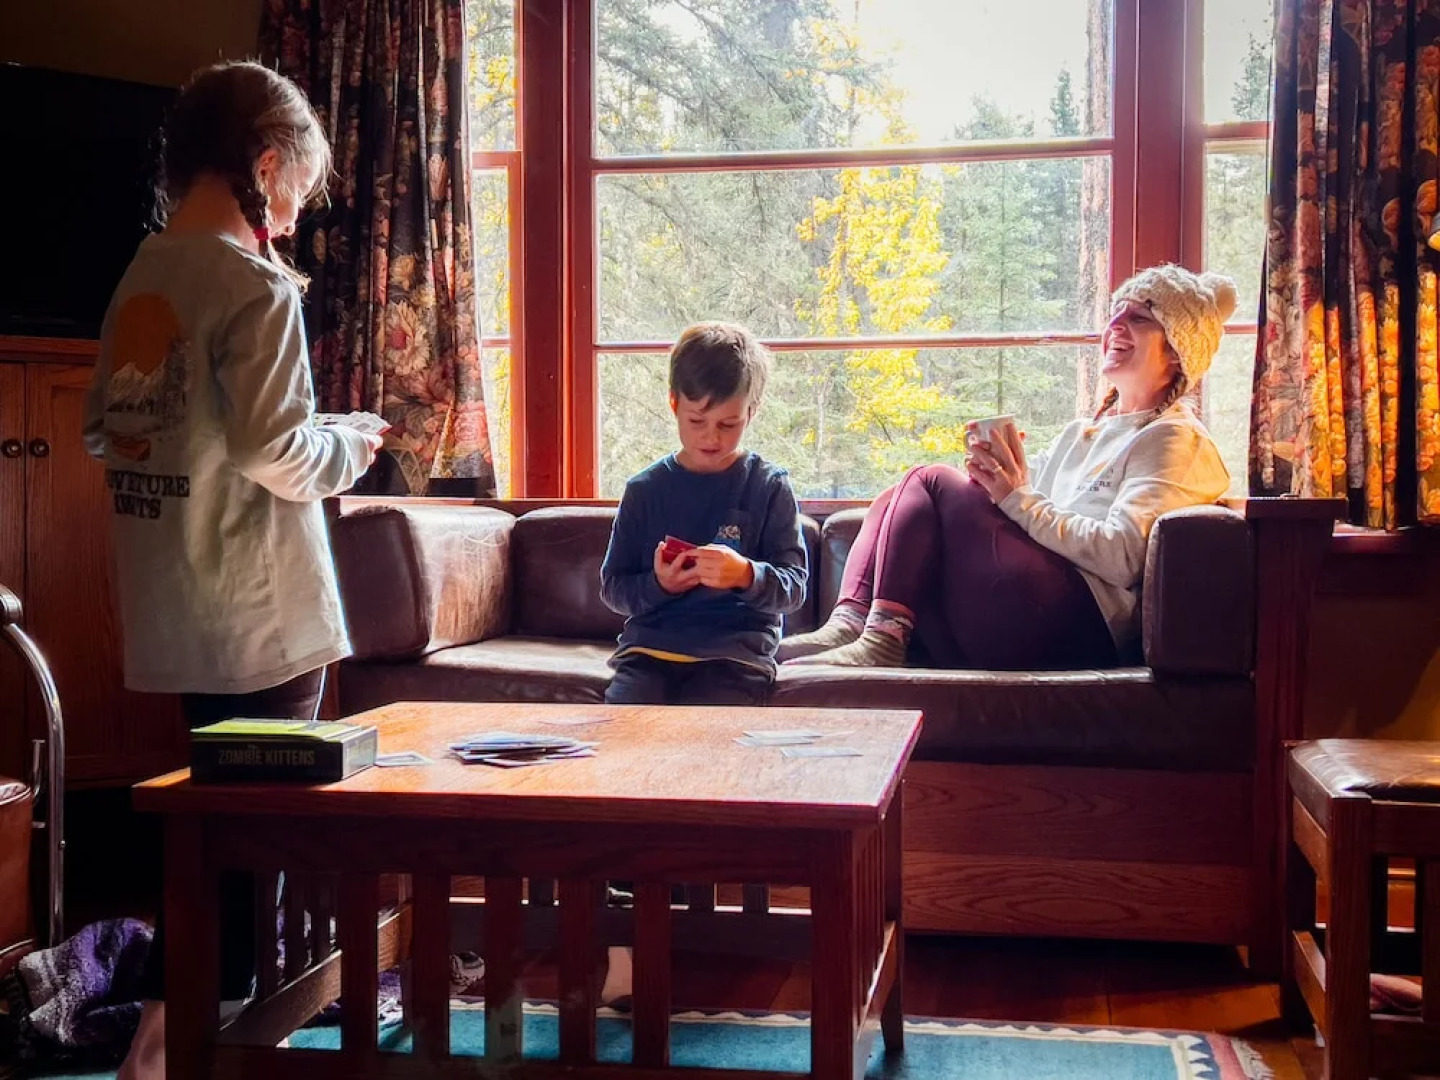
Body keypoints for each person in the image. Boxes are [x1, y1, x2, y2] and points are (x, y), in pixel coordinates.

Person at [82, 62, 381, 1080]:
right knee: (255, 843)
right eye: (295, 190)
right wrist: (346, 443)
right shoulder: (251, 285)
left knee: (213, 826)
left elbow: (103, 432)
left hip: (174, 607)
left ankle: (174, 1040)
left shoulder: (142, 275)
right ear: (263, 165)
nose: (292, 218)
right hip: (261, 609)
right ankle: (212, 1047)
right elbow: (274, 453)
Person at [778, 265, 1236, 671]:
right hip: (1028, 602)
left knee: (930, 480)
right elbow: (1020, 501)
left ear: (1176, 351)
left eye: (1139, 318)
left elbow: (1121, 556)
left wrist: (1017, 497)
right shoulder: (1083, 432)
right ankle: (849, 625)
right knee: (899, 496)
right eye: (1116, 313)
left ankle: (879, 640)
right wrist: (995, 470)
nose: (1115, 325)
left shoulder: (1174, 439)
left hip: (1080, 624)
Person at [599, 321, 809, 705]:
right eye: (697, 421)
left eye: (729, 424)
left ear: (753, 412)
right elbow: (614, 589)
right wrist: (660, 585)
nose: (711, 437)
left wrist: (746, 574)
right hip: (648, 654)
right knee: (622, 732)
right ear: (674, 403)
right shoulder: (645, 490)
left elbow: (794, 588)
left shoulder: (769, 486)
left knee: (711, 736)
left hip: (736, 659)